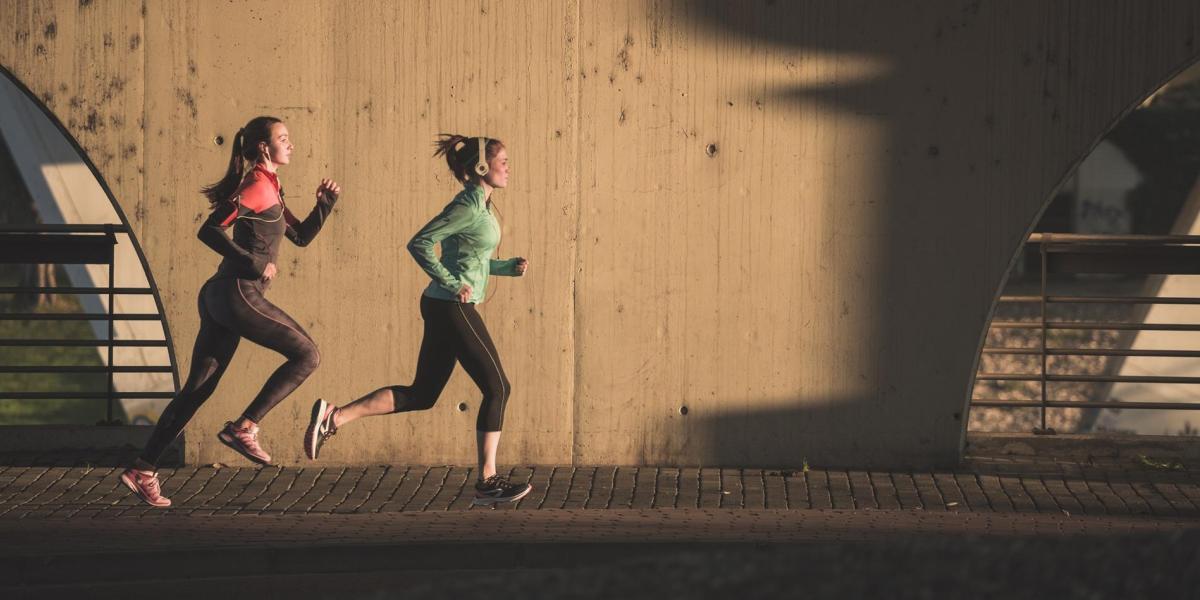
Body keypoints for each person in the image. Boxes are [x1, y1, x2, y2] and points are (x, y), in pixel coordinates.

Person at [121, 116, 341, 507]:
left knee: (197, 390)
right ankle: (245, 427)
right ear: (262, 147)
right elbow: (209, 229)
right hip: (238, 291)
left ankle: (143, 468)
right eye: (283, 139)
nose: (290, 145)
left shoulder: (271, 187)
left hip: (222, 296)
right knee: (307, 354)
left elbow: (300, 236)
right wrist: (252, 264)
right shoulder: (256, 186)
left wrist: (323, 207)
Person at [304, 134, 531, 506]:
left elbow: (469, 258)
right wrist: (451, 282)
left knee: (423, 394)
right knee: (498, 387)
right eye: (502, 160)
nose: (508, 167)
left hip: (444, 304)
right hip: (451, 306)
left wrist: (506, 267)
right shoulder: (468, 206)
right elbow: (420, 243)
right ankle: (487, 481)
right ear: (480, 167)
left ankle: (334, 417)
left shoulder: (482, 206)